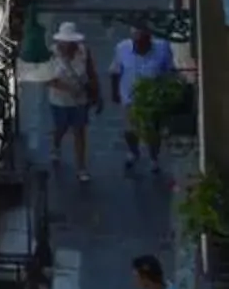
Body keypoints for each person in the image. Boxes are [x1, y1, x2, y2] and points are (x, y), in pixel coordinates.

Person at [111, 23, 180, 174]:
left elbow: (170, 71)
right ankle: (133, 152)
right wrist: (115, 93)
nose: (140, 45)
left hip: (153, 99)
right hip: (129, 97)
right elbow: (115, 71)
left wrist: (168, 92)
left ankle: (154, 158)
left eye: (143, 42)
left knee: (153, 132)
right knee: (130, 130)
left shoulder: (162, 48)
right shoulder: (122, 48)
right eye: (137, 42)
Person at [43, 21, 99, 182]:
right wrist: (68, 88)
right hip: (59, 100)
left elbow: (91, 72)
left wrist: (96, 93)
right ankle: (56, 145)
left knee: (79, 132)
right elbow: (46, 79)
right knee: (61, 127)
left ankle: (81, 167)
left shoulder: (83, 52)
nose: (68, 46)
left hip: (80, 100)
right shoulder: (51, 54)